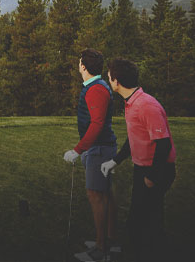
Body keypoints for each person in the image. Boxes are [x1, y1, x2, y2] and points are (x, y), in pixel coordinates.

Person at [101, 58, 176, 262]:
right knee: (148, 221)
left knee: (140, 224)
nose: (108, 80)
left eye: (109, 77)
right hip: (143, 169)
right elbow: (134, 139)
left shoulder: (146, 105)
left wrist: (152, 176)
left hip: (157, 170)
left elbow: (163, 144)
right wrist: (114, 161)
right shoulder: (131, 102)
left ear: (116, 81)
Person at [63, 48, 118, 261]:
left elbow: (96, 124)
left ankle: (101, 249)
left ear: (83, 67)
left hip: (99, 149)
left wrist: (78, 150)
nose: (78, 65)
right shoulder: (97, 86)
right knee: (106, 194)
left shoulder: (96, 89)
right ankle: (108, 240)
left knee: (97, 196)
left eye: (79, 62)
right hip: (101, 147)